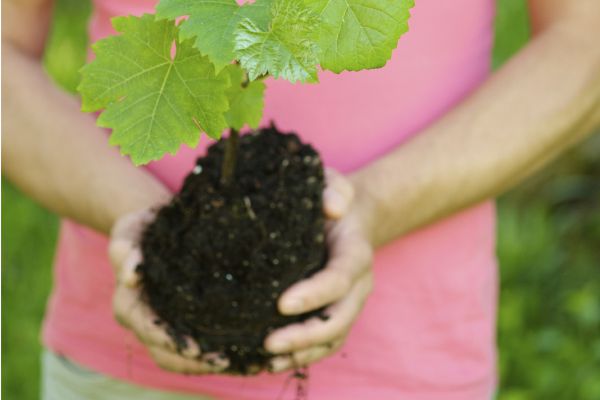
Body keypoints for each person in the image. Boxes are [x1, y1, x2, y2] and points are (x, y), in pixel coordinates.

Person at [3, 0, 600, 398]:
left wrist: (379, 204)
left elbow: (587, 41)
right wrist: (131, 216)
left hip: (409, 363)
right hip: (118, 350)